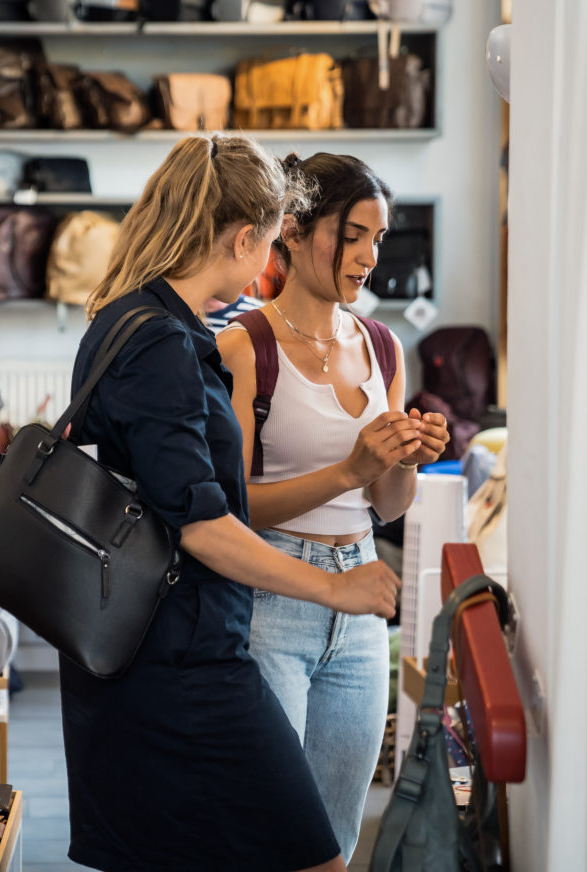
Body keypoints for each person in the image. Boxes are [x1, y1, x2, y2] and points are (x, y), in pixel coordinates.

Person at [60, 134, 401, 872]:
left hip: (162, 646)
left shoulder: (131, 320)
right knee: (314, 856)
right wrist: (333, 586)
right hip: (182, 662)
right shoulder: (164, 346)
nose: (271, 262)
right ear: (245, 238)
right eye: (273, 243)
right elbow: (205, 528)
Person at [216, 152, 450, 862]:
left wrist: (404, 459)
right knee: (270, 832)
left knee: (336, 840)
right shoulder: (243, 346)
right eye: (355, 236)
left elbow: (385, 506)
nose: (369, 258)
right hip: (271, 597)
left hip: (359, 606)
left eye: (379, 239)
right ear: (294, 230)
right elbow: (229, 510)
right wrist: (350, 466)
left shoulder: (382, 346)